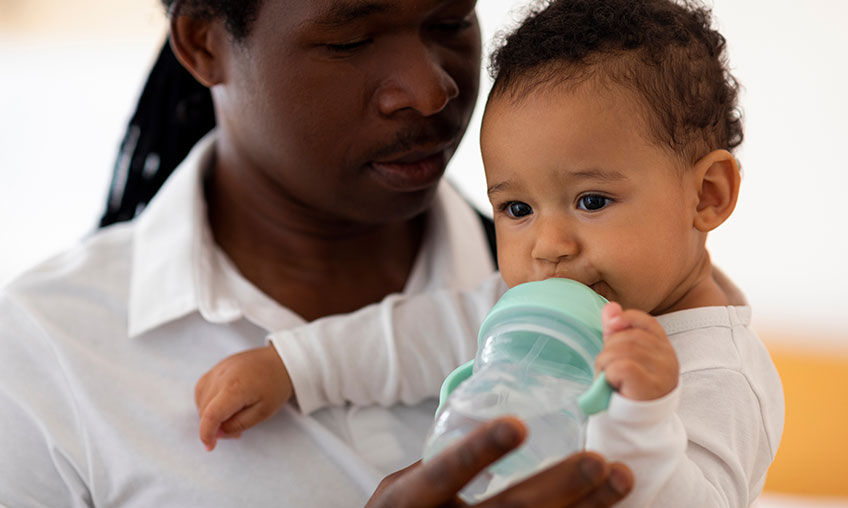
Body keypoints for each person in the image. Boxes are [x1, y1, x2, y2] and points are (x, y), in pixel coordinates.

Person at [0, 0, 634, 506]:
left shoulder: (624, 308)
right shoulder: (41, 351)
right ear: (203, 44)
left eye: (450, 21)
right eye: (350, 40)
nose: (428, 90)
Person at [194, 0, 785, 506]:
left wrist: (645, 420)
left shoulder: (718, 371)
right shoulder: (532, 306)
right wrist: (296, 367)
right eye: (518, 210)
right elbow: (410, 338)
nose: (550, 247)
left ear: (706, 196)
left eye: (592, 199)